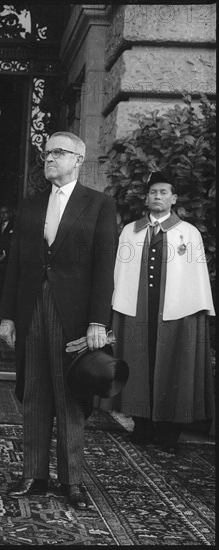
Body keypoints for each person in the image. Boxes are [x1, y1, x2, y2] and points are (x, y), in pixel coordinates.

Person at [0, 131, 117, 508]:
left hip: (75, 314)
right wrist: (6, 316)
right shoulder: (31, 204)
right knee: (34, 392)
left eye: (58, 153)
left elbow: (105, 266)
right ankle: (33, 475)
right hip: (32, 306)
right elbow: (16, 262)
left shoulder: (99, 205)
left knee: (69, 394)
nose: (48, 158)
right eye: (46, 153)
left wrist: (98, 321)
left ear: (79, 160)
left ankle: (72, 482)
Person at [102, 171, 215, 453]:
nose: (158, 197)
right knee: (137, 364)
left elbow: (196, 277)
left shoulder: (188, 233)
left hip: (177, 312)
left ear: (174, 198)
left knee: (172, 369)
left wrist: (196, 310)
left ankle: (168, 432)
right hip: (138, 309)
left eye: (164, 192)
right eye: (153, 192)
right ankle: (142, 426)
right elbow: (120, 273)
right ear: (146, 197)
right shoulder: (130, 230)